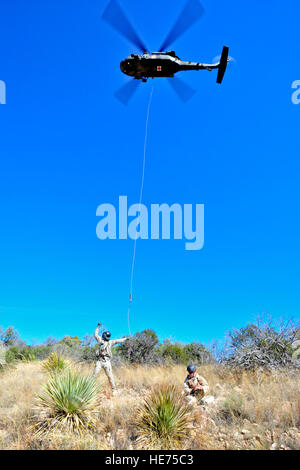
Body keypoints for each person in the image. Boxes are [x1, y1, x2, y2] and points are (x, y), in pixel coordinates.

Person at [93, 322, 128, 395]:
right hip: (99, 361)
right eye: (107, 336)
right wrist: (98, 327)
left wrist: (126, 339)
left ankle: (114, 390)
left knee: (110, 376)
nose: (108, 337)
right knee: (94, 375)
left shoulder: (111, 342)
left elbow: (118, 340)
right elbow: (95, 334)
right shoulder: (100, 341)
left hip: (107, 362)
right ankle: (89, 389)